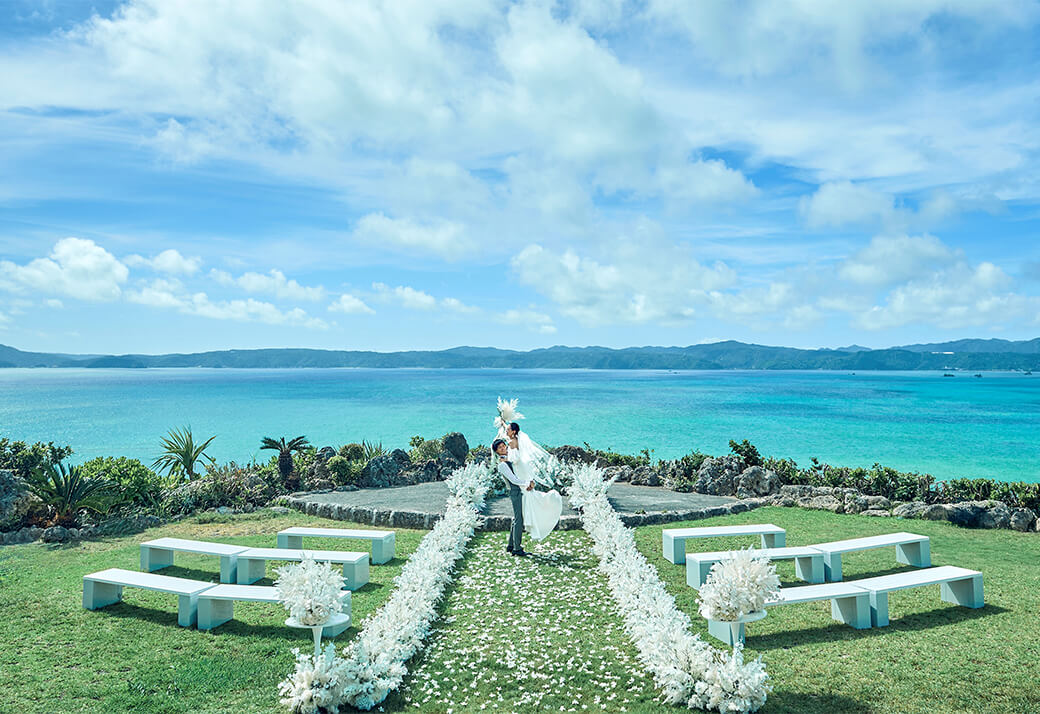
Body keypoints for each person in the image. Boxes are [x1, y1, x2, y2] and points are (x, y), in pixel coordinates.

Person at [494, 438, 532, 556]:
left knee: (517, 518)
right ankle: (517, 548)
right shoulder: (502, 465)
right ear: (496, 452)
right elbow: (513, 480)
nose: (503, 448)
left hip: (518, 491)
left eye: (503, 446)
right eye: (500, 448)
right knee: (519, 519)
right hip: (515, 492)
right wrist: (527, 483)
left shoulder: (508, 459)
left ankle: (511, 545)